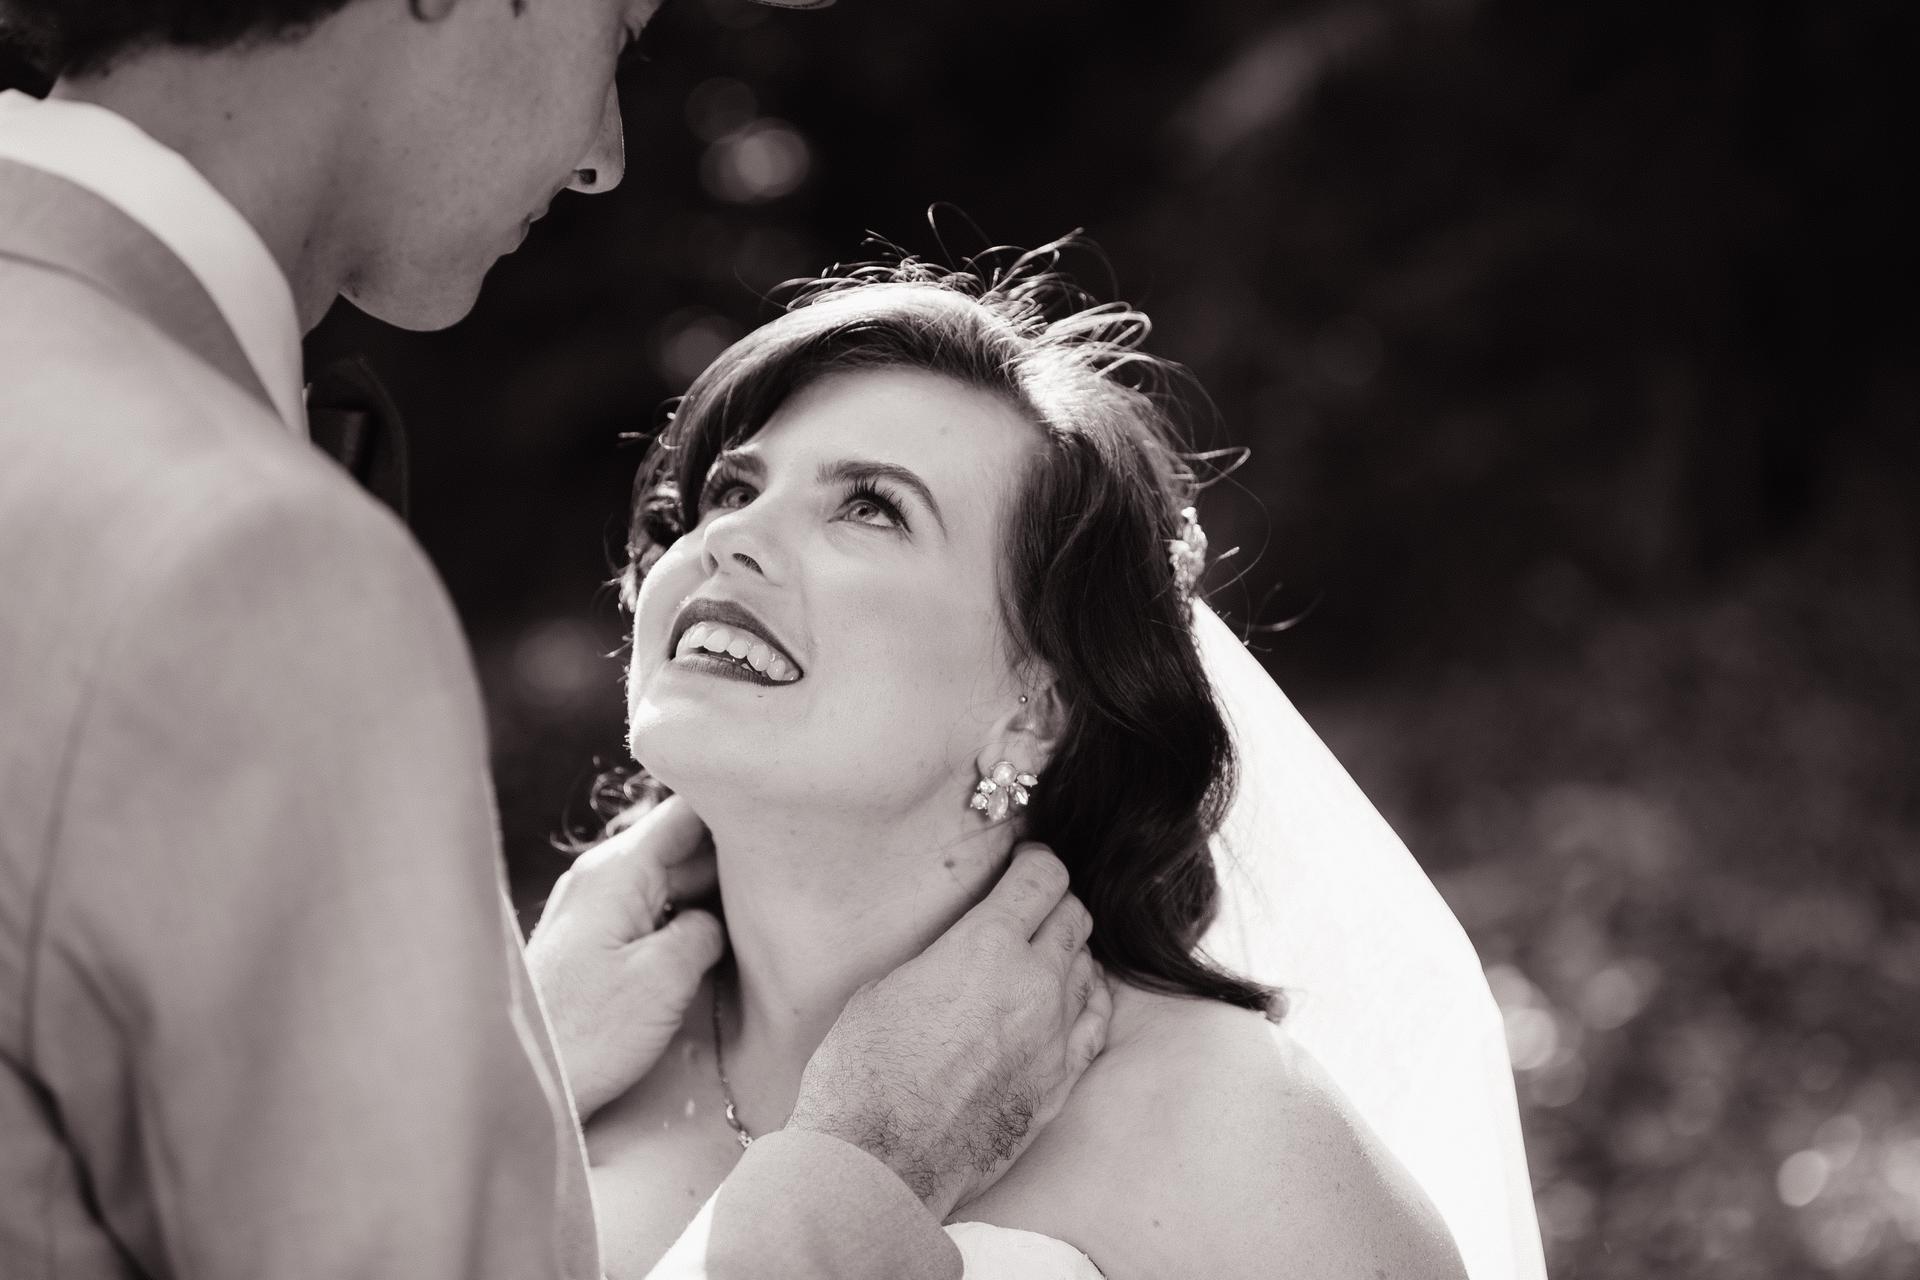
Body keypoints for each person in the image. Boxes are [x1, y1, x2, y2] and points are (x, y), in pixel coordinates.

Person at [0, 3, 1108, 1278]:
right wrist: (867, 1169)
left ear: (1038, 698)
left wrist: (486, 1072)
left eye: (869, 507)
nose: (604, 156)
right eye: (618, 32)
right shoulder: (243, 554)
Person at [582, 250, 1481, 1279]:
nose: (730, 535)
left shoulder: (1237, 1132)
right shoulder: (551, 1062)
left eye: (871, 506)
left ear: (1036, 710)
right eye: (732, 489)